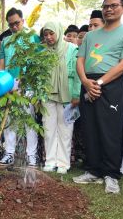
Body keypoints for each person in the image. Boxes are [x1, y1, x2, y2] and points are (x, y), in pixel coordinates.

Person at [73, 0, 123, 194]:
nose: (109, 9)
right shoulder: (91, 35)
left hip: (110, 85)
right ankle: (93, 170)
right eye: (106, 6)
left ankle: (111, 174)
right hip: (89, 82)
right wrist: (85, 82)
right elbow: (80, 60)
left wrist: (98, 83)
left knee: (110, 130)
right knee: (89, 128)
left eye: (114, 5)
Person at [0, 7, 40, 167]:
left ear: (23, 20)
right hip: (9, 84)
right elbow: (2, 66)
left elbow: (38, 64)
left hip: (28, 84)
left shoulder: (33, 38)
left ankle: (31, 156)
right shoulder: (6, 42)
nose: (14, 27)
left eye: (17, 23)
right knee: (10, 120)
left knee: (29, 120)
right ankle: (9, 153)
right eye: (11, 25)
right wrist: (2, 85)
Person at [41, 21, 80, 174]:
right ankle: (50, 161)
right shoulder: (43, 51)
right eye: (46, 34)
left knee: (65, 130)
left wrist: (76, 94)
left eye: (52, 33)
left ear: (58, 32)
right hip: (47, 94)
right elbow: (40, 75)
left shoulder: (71, 49)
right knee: (48, 129)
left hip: (67, 95)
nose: (49, 37)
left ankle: (63, 163)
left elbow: (78, 73)